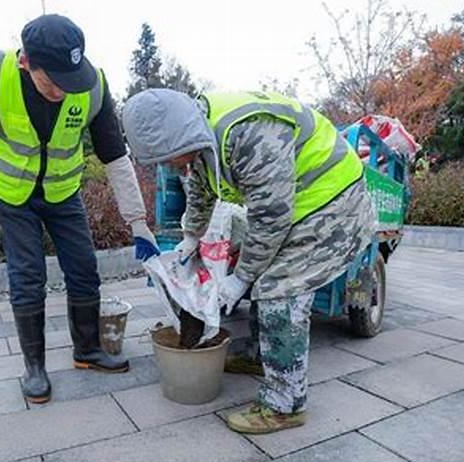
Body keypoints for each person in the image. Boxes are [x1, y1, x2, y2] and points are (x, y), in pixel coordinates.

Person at [123, 89, 375, 434]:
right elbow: (200, 183)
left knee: (279, 289)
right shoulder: (198, 133)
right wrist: (191, 236)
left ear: (182, 134)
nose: (169, 166)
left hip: (332, 200)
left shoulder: (248, 133)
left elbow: (271, 217)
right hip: (295, 204)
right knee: (261, 272)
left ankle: (285, 404)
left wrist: (240, 278)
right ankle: (263, 357)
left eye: (169, 157)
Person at [0, 15, 159, 404]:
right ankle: (34, 367)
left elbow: (115, 157)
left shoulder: (92, 86)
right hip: (12, 193)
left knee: (84, 268)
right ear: (25, 63)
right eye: (53, 81)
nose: (64, 90)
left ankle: (87, 350)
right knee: (28, 274)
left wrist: (138, 222)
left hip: (63, 192)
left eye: (70, 79)